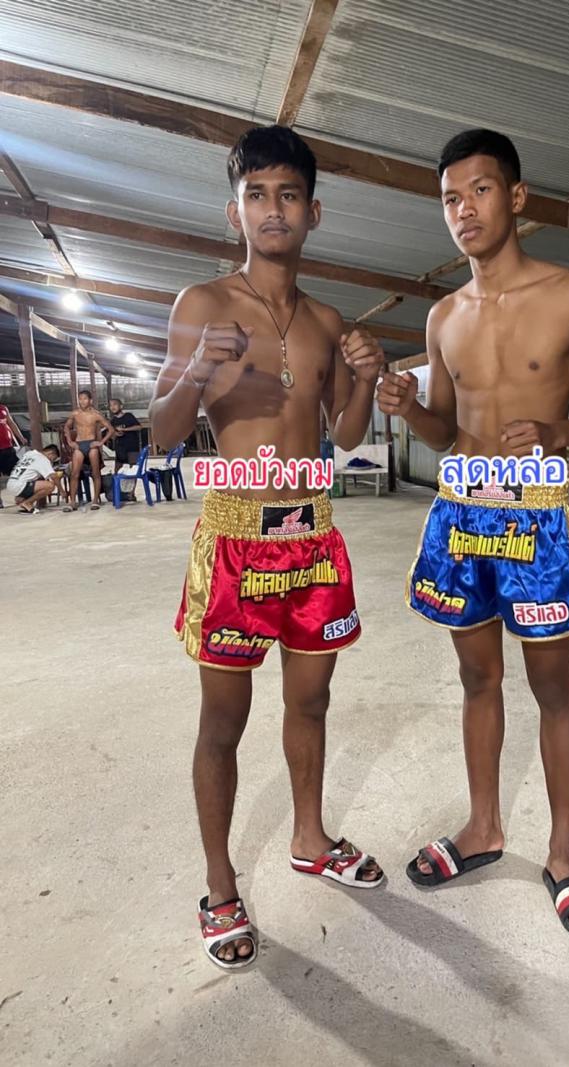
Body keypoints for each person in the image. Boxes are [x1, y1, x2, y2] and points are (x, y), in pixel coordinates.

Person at [377, 129, 569, 936]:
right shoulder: (443, 315)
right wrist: (408, 409)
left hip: (535, 516)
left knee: (552, 684)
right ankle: (483, 827)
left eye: (480, 191)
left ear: (516, 196)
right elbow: (445, 431)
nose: (464, 210)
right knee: (477, 678)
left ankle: (562, 854)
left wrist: (561, 432)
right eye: (450, 199)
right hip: (463, 514)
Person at [150, 125, 385, 970]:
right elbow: (160, 435)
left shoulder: (326, 319)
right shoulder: (201, 304)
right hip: (235, 540)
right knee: (224, 719)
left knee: (311, 702)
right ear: (235, 212)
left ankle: (309, 837)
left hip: (312, 537)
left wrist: (365, 378)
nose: (272, 208)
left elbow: (347, 435)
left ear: (314, 212)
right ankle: (219, 884)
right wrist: (194, 374)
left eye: (288, 194)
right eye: (256, 195)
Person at [62, 390, 115, 511]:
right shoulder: (75, 413)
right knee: (74, 474)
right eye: (80, 399)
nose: (82, 401)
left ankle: (95, 500)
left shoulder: (96, 414)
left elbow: (111, 429)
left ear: (90, 400)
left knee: (96, 473)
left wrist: (101, 442)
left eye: (85, 399)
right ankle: (72, 502)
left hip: (91, 445)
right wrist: (70, 441)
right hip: (79, 444)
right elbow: (66, 427)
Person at [5, 444, 62, 514]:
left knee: (34, 484)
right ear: (51, 453)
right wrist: (62, 491)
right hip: (20, 485)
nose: (51, 461)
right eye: (53, 459)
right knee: (50, 486)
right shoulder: (43, 459)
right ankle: (27, 503)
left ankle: (22, 500)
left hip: (11, 484)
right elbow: (54, 476)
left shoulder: (30, 453)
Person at [0, 402, 25, 508]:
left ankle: (21, 496)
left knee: (17, 472)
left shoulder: (3, 408)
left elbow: (11, 423)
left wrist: (21, 437)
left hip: (8, 448)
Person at [108, 398, 144, 471]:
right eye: (110, 405)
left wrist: (125, 429)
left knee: (133, 469)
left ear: (121, 406)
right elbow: (112, 436)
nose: (112, 407)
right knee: (117, 471)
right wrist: (116, 434)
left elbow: (139, 427)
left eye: (115, 404)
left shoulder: (128, 416)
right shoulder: (112, 421)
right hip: (120, 449)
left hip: (132, 447)